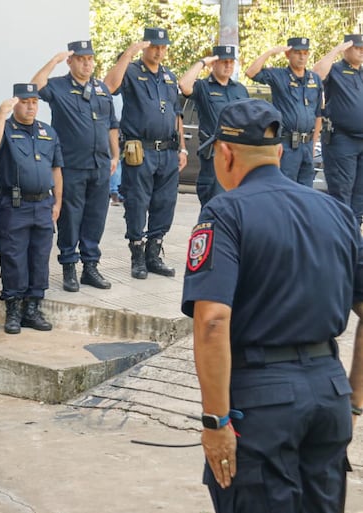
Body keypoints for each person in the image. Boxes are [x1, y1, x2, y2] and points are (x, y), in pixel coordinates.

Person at [181, 98, 363, 513]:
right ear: (280, 152)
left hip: (262, 403)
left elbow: (211, 322)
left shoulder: (224, 212)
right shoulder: (336, 210)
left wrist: (215, 421)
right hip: (329, 392)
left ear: (225, 154)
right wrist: (353, 399)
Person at [31, 39, 119, 293]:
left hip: (100, 165)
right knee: (71, 218)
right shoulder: (58, 86)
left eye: (90, 59)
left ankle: (90, 267)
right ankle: (69, 266)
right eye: (81, 59)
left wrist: (115, 156)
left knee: (96, 217)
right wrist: (54, 61)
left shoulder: (101, 89)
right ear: (71, 62)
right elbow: (34, 86)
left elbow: (111, 125)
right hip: (71, 165)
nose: (87, 63)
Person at [105, 28, 188, 280]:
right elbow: (109, 86)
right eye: (154, 46)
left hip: (168, 151)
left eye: (163, 47)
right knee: (137, 202)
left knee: (165, 204)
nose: (159, 51)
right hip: (140, 151)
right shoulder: (131, 71)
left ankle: (154, 254)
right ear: (145, 47)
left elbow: (176, 115)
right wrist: (130, 52)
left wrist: (183, 147)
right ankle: (137, 255)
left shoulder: (169, 77)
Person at [0, 84, 63, 334]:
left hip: (43, 204)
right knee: (14, 258)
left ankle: (33, 309)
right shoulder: (5, 128)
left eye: (34, 102)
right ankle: (14, 309)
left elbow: (56, 169)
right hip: (14, 205)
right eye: (25, 102)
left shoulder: (47, 132)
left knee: (39, 258)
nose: (30, 107)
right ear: (15, 103)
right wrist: (1, 114)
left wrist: (58, 201)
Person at [245, 37, 322, 187]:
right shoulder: (279, 75)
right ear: (288, 55)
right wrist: (271, 52)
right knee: (285, 189)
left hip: (307, 145)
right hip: (287, 145)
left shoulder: (315, 79)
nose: (302, 57)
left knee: (306, 191)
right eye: (297, 52)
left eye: (305, 53)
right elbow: (251, 72)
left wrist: (313, 144)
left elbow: (318, 114)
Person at [179, 45, 249, 206]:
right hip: (214, 158)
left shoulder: (240, 90)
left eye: (231, 62)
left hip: (237, 157)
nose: (228, 66)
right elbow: (184, 85)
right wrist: (202, 62)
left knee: (235, 206)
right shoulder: (203, 87)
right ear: (214, 64)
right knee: (215, 206)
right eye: (224, 62)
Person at [313, 34, 363, 226]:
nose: (360, 51)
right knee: (342, 194)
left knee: (359, 197)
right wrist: (335, 50)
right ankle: (339, 239)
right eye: (357, 48)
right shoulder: (335, 70)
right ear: (347, 49)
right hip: (342, 141)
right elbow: (316, 73)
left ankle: (355, 244)